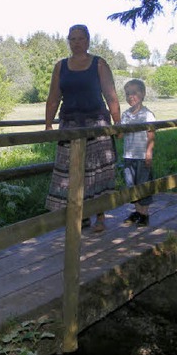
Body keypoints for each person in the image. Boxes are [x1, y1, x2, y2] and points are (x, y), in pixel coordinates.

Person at [44, 24, 121, 233]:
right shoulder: (61, 66)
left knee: (98, 171)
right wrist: (48, 124)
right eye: (72, 39)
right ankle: (80, 215)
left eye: (80, 39)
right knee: (71, 173)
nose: (76, 43)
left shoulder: (99, 64)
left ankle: (101, 216)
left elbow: (111, 95)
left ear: (88, 41)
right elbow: (53, 97)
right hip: (70, 125)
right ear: (68, 41)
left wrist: (117, 123)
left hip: (96, 124)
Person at [121, 79, 155, 227]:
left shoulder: (147, 114)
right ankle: (137, 211)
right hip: (128, 155)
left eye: (134, 93)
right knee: (131, 185)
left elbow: (151, 135)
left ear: (142, 94)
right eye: (128, 94)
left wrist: (149, 153)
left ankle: (144, 214)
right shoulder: (126, 115)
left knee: (143, 185)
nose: (131, 97)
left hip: (141, 156)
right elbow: (120, 135)